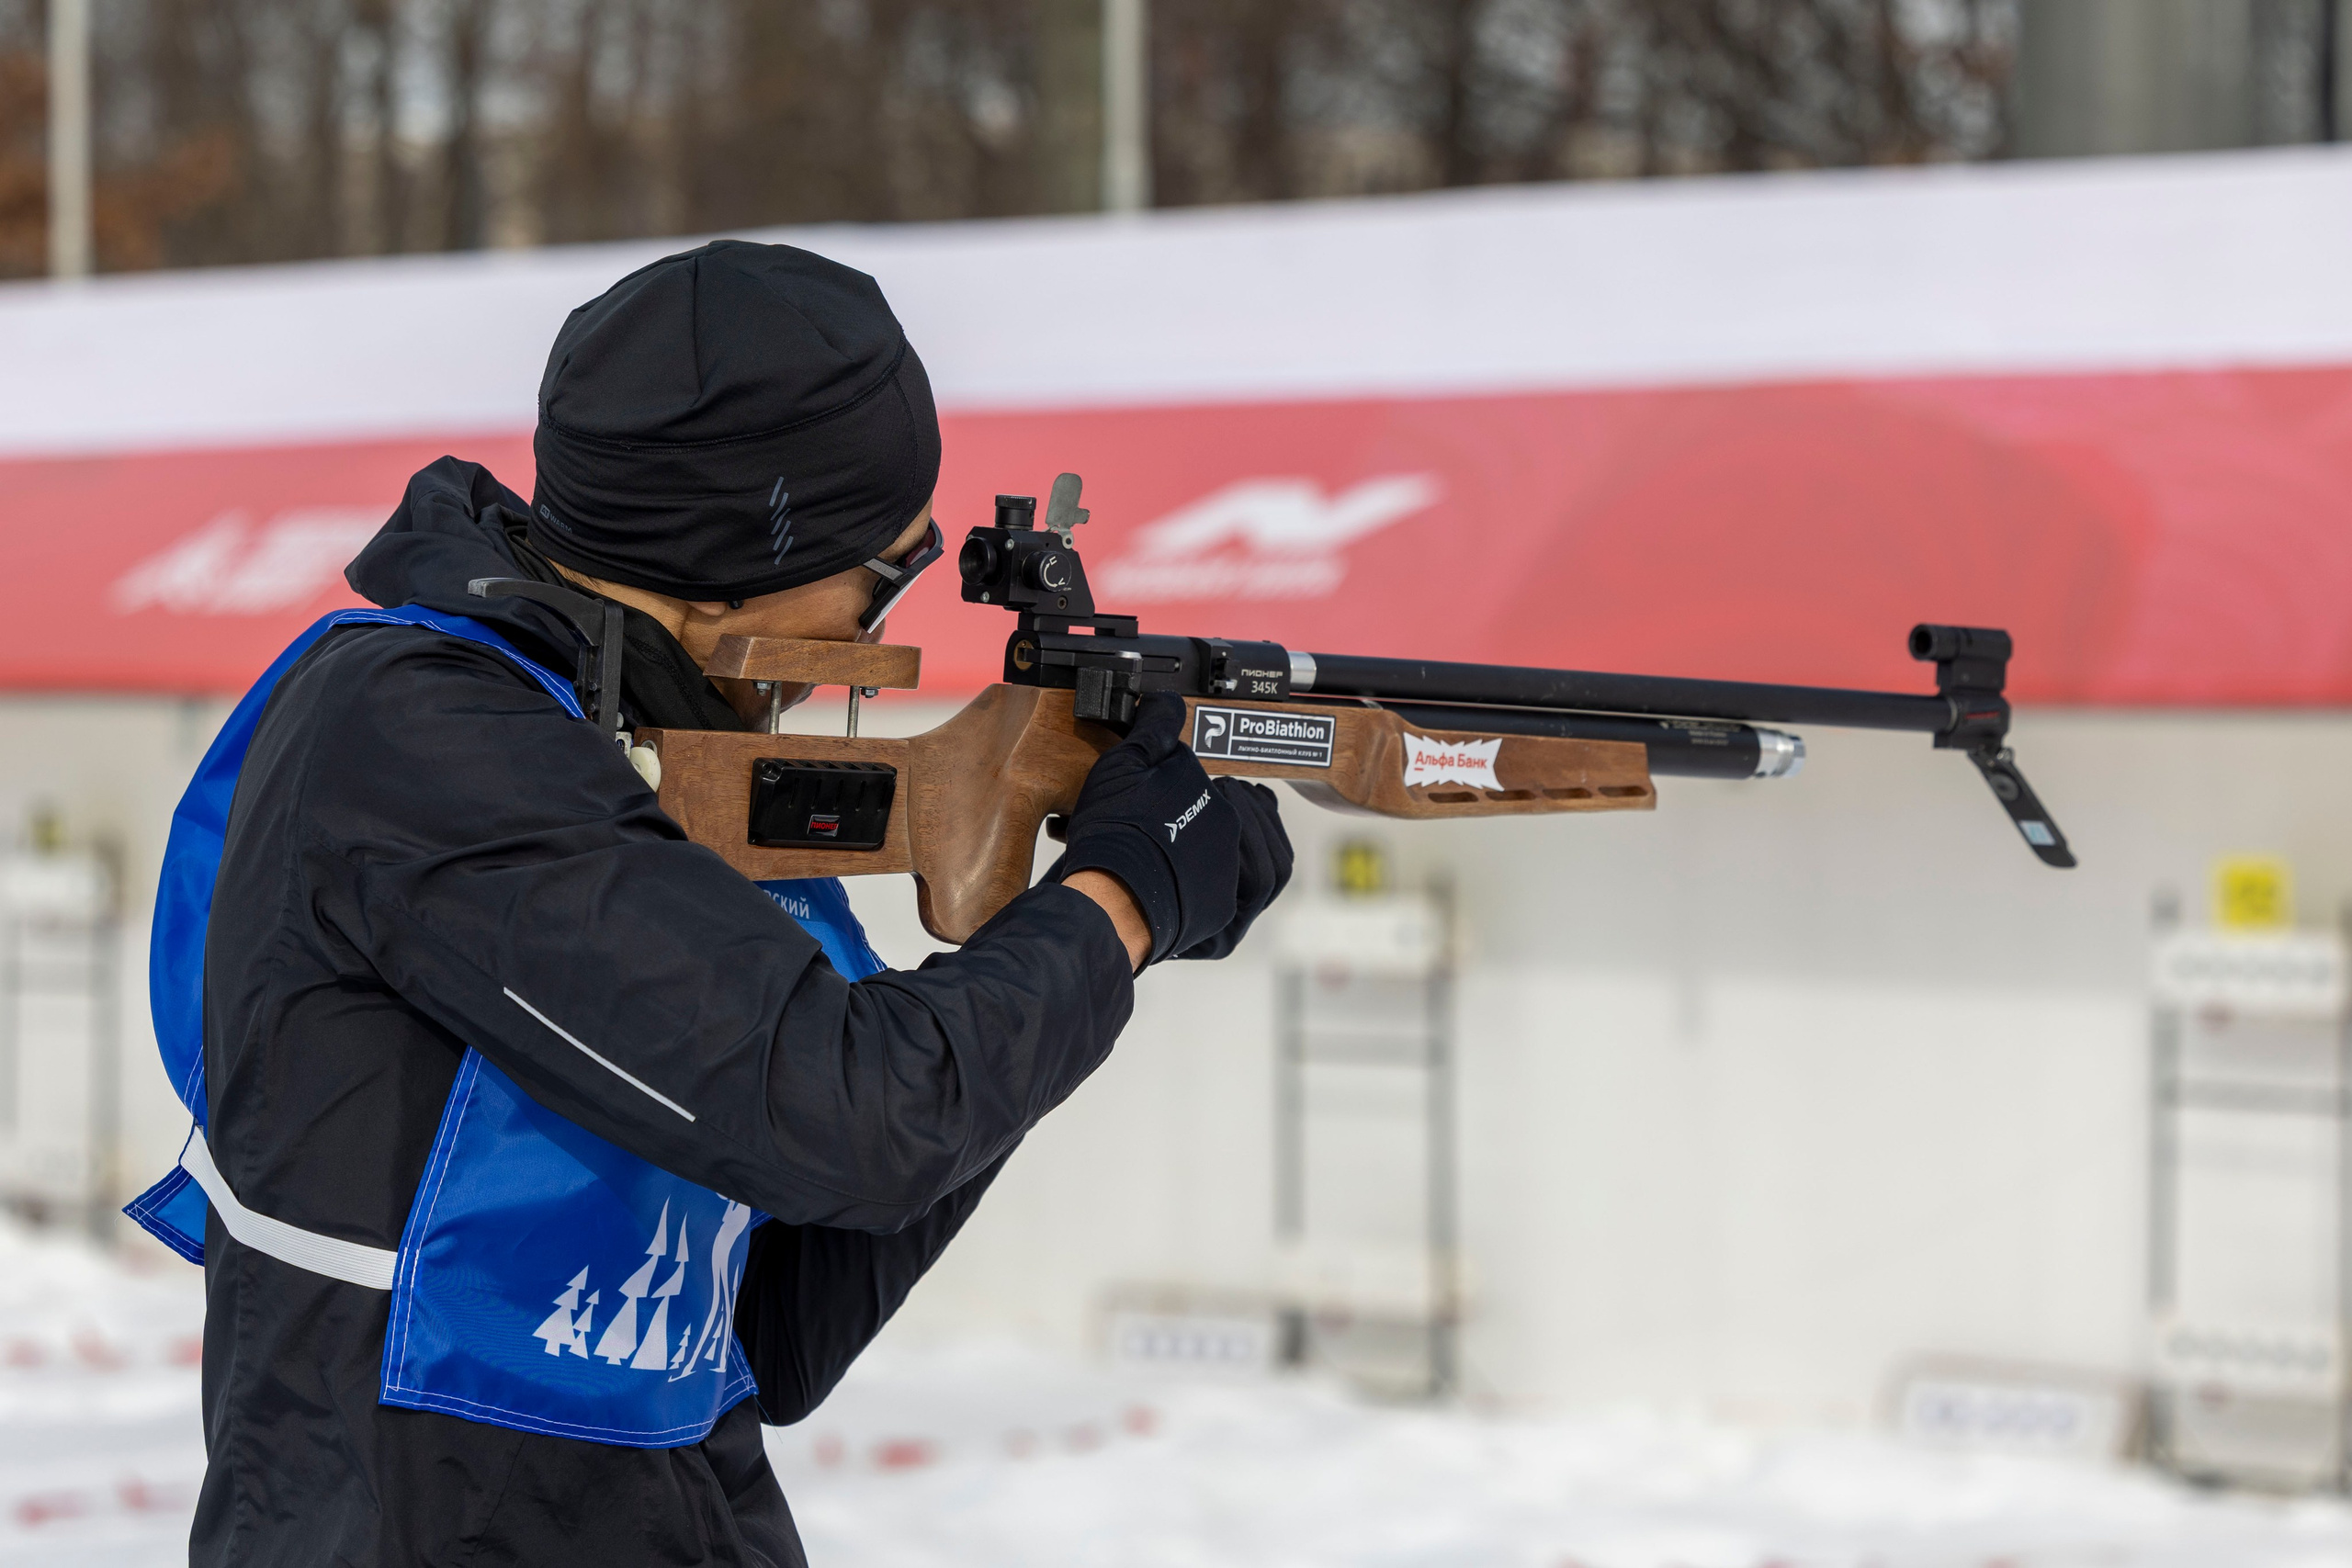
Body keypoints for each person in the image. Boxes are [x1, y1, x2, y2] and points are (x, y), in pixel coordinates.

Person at [124, 240, 1294, 1567]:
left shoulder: (628, 765)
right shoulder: (415, 735)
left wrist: (1063, 928)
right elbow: (854, 1121)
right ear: (740, 548)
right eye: (885, 569)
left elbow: (791, 1313)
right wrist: (1114, 908)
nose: (878, 626)